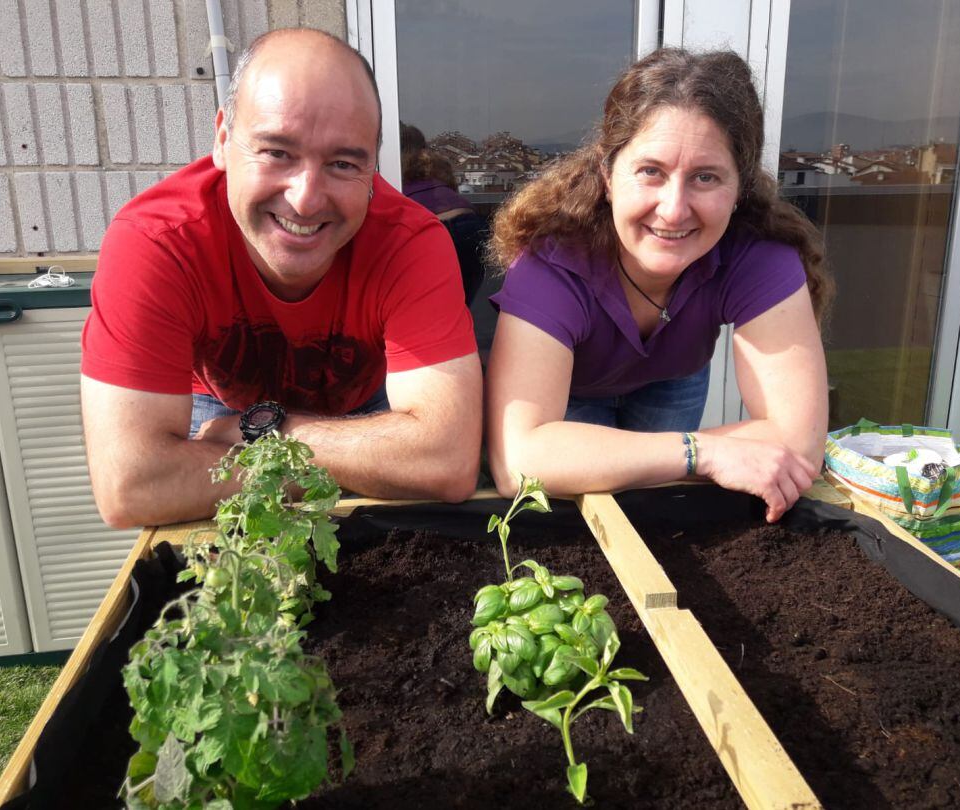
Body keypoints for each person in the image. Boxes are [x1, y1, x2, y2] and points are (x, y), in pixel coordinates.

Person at [81, 29, 482, 529]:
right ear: (223, 139)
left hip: (345, 408)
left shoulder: (411, 242)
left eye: (342, 163)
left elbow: (446, 463)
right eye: (277, 152)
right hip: (221, 405)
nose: (306, 199)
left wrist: (269, 436)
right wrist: (376, 460)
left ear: (373, 165)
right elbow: (133, 486)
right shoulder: (158, 242)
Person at [485, 48, 834, 523]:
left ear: (739, 189)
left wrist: (672, 457)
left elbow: (799, 443)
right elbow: (519, 463)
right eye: (651, 171)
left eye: (705, 177)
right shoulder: (553, 260)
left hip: (671, 377)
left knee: (652, 508)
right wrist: (702, 453)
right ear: (608, 176)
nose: (673, 209)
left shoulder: (758, 254)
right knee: (573, 518)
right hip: (573, 391)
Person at [400, 123, 488, 306]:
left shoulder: (394, 171)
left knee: (429, 311)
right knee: (459, 308)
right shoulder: (436, 165)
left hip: (429, 231)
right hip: (469, 225)